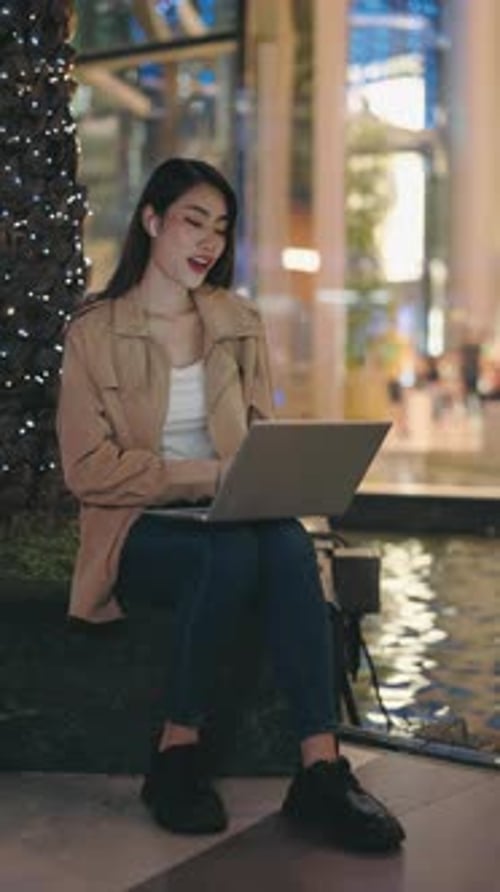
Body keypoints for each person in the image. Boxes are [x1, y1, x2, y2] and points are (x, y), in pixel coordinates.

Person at [56, 157, 404, 853]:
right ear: (152, 221)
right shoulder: (94, 332)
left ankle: (320, 770)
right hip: (135, 529)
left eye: (220, 227)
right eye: (193, 220)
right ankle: (176, 752)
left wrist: (275, 473)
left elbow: (255, 431)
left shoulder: (237, 322)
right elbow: (87, 472)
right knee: (231, 548)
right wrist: (205, 477)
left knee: (283, 542)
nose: (208, 240)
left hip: (231, 512)